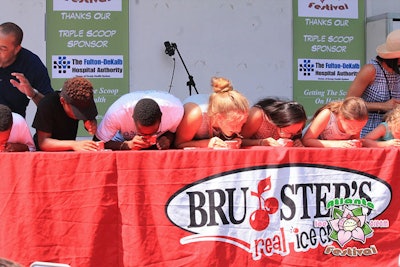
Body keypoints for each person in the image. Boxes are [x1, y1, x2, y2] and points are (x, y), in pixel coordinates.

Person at [346, 29, 400, 137]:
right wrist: (382, 106)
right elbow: (348, 103)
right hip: (368, 131)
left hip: (394, 130)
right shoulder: (371, 70)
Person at [174, 76, 249, 149]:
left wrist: (235, 140)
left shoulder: (235, 116)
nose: (239, 129)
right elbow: (179, 144)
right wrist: (207, 143)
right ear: (219, 117)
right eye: (234, 124)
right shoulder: (195, 114)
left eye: (242, 123)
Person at [94, 90, 184, 150]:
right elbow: (97, 143)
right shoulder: (117, 113)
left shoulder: (175, 111)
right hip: (122, 139)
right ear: (132, 117)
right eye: (142, 133)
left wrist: (168, 138)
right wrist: (127, 145)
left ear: (162, 117)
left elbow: (173, 132)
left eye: (153, 132)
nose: (147, 138)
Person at [0, 22, 54, 117]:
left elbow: (51, 107)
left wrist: (33, 94)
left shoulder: (32, 64)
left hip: (12, 125)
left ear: (17, 49)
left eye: (3, 49)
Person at [32, 76, 98, 151]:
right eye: (78, 112)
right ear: (62, 101)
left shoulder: (84, 97)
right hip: (45, 156)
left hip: (68, 153)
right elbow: (43, 143)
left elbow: (90, 118)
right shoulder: (47, 104)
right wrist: (74, 144)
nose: (80, 115)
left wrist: (90, 123)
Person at [302, 97, 368, 148]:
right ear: (341, 117)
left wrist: (356, 143)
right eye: (351, 127)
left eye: (360, 128)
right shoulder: (327, 115)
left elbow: (354, 139)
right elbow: (306, 140)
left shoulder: (356, 123)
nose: (355, 132)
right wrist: (337, 144)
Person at [240, 98, 307, 147]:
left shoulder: (298, 126)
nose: (289, 136)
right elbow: (239, 141)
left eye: (294, 133)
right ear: (280, 121)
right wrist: (261, 142)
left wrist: (297, 142)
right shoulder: (259, 115)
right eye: (287, 132)